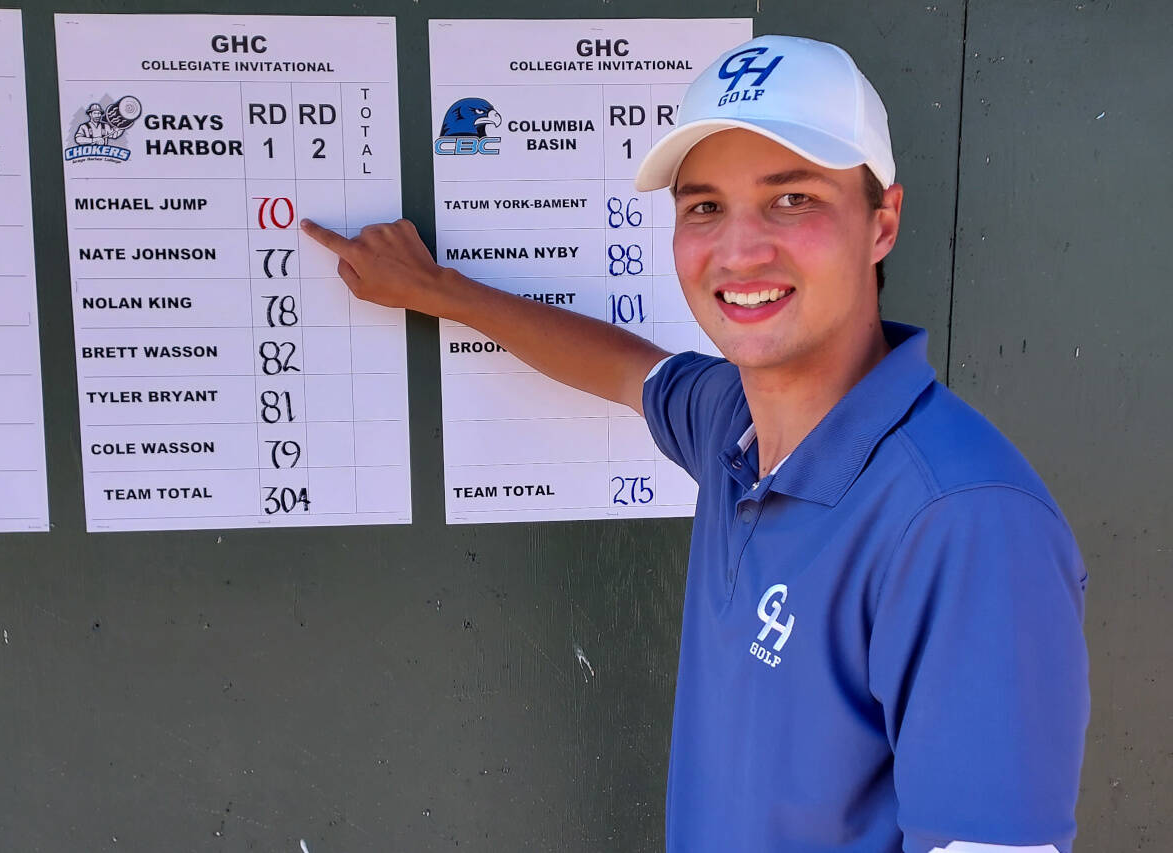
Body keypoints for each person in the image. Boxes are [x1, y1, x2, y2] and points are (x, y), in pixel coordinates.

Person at [301, 34, 1089, 853]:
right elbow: (626, 368)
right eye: (705, 207)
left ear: (881, 222)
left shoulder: (967, 524)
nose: (739, 251)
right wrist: (436, 290)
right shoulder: (731, 424)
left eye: (793, 199)